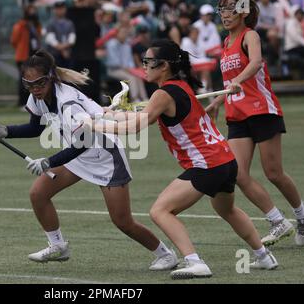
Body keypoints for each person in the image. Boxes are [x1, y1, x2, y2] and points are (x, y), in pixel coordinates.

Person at [85, 39, 279, 279]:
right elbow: (144, 116)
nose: (143, 66)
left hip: (206, 163)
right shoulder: (179, 86)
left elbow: (138, 126)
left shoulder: (163, 93)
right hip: (225, 161)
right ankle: (264, 256)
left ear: (163, 66)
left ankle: (195, 262)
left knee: (160, 211)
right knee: (226, 209)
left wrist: (97, 126)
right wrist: (113, 115)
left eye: (147, 62)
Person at [0, 49, 178, 270]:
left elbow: (82, 144)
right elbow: (35, 127)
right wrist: (4, 130)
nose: (34, 89)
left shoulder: (68, 104)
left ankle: (165, 254)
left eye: (39, 84)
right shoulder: (38, 96)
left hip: (105, 156)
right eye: (29, 84)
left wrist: (48, 161)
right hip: (77, 155)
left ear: (51, 78)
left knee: (122, 221)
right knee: (38, 194)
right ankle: (58, 246)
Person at [206, 0, 304, 247]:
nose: (225, 15)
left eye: (230, 9)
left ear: (242, 11)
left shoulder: (249, 35)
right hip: (237, 115)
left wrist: (239, 81)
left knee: (273, 173)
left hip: (262, 110)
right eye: (222, 9)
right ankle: (277, 221)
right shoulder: (225, 42)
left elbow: (254, 63)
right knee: (238, 174)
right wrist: (217, 102)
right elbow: (230, 83)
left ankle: (301, 213)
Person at [10, 5, 42, 107]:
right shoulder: (20, 25)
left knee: (35, 79)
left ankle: (34, 102)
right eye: (31, 10)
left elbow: (39, 37)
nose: (33, 13)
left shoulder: (37, 25)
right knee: (24, 80)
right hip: (23, 57)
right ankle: (23, 102)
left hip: (34, 56)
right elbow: (14, 40)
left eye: (34, 10)